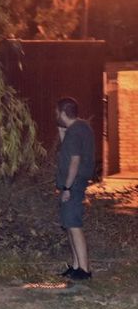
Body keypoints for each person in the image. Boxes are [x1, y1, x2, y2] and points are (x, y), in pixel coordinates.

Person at [55, 97, 95, 280]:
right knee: (69, 224)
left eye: (57, 112)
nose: (56, 115)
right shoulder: (82, 127)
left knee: (74, 224)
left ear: (63, 113)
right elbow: (70, 150)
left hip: (74, 183)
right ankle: (77, 265)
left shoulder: (74, 132)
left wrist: (67, 187)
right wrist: (63, 134)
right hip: (78, 181)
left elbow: (75, 160)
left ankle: (84, 270)